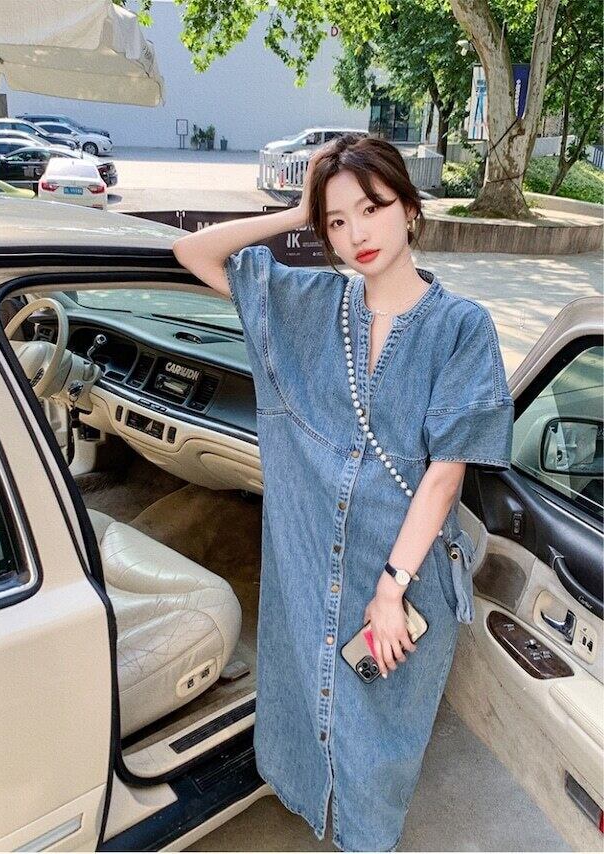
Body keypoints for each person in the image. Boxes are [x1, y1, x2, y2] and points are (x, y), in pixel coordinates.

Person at [172, 134, 514, 852]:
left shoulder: (462, 328)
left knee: (379, 745)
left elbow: (445, 474)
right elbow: (194, 253)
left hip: (403, 574)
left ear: (410, 209)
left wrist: (391, 589)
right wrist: (294, 212)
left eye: (372, 207)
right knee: (313, 707)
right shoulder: (311, 303)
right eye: (335, 220)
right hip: (317, 559)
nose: (356, 232)